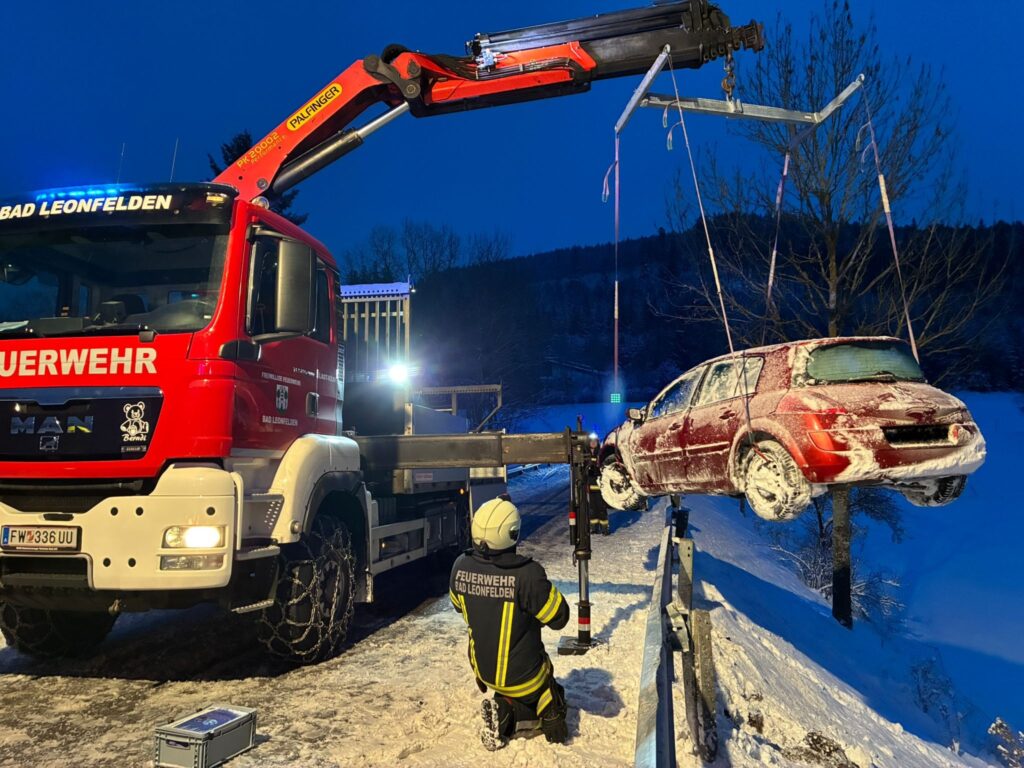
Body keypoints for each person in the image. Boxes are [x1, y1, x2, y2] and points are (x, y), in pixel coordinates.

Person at [450, 497, 571, 750]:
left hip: (483, 671)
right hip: (525, 677)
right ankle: (537, 712)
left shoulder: (459, 566)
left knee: (511, 685)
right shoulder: (528, 575)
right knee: (550, 689)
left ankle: (504, 706)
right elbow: (559, 618)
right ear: (513, 533)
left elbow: (460, 606)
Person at [586, 433, 610, 535]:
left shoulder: (601, 454)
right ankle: (594, 527)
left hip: (600, 485)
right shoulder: (585, 454)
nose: (593, 443)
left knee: (601, 507)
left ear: (597, 442)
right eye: (591, 441)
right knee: (592, 508)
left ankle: (604, 528)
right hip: (590, 486)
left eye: (594, 441)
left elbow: (604, 467)